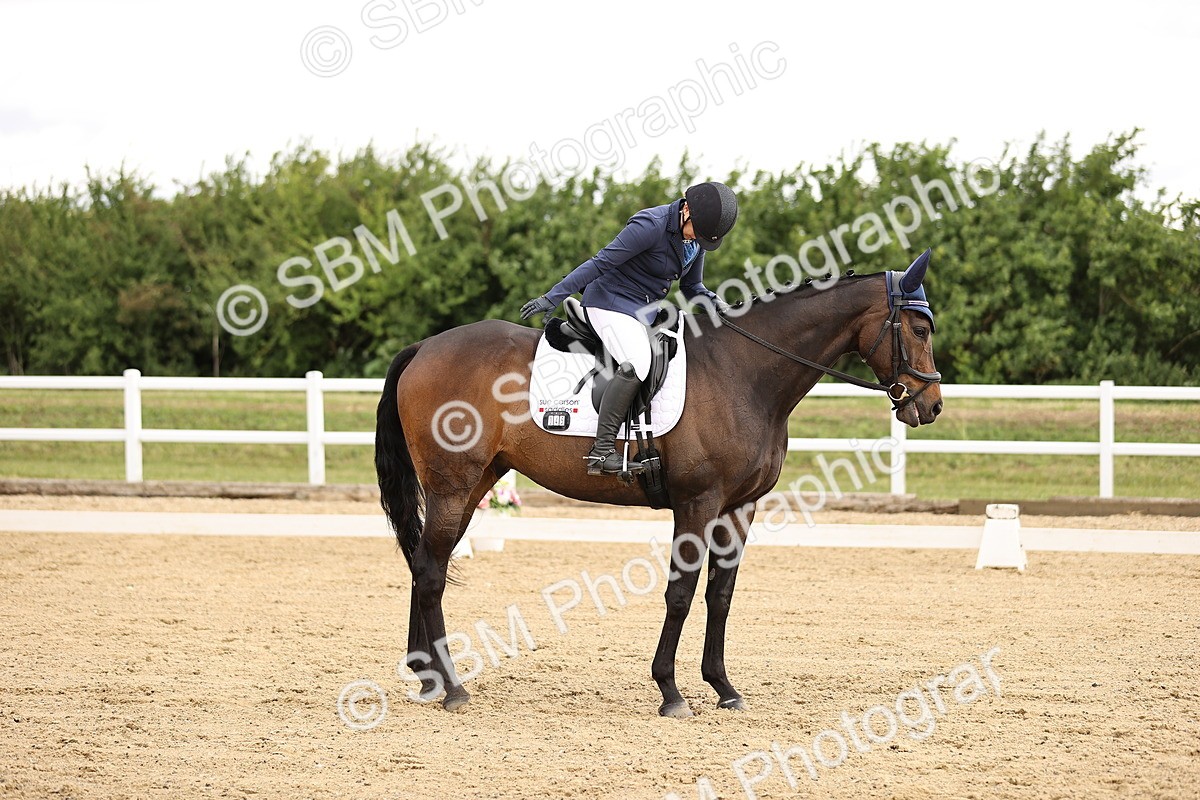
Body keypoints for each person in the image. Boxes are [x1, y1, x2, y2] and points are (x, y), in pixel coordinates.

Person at [520, 181, 739, 476]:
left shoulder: (695, 239)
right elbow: (599, 263)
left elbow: (691, 287)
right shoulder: (650, 224)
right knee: (639, 362)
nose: (697, 240)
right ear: (686, 210)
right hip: (608, 302)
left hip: (643, 310)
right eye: (695, 233)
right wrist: (554, 295)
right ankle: (602, 452)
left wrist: (719, 305)